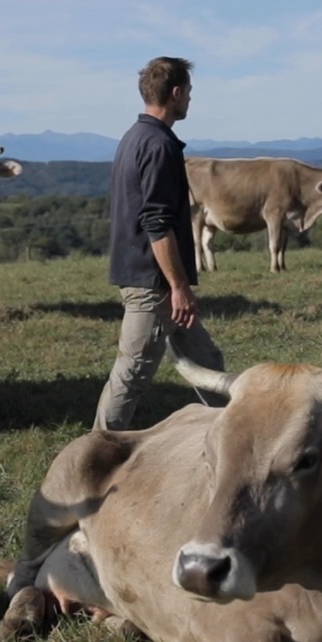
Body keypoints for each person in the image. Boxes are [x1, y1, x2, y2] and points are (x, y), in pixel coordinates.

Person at [93, 56, 225, 430]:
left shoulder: (135, 137)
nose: (190, 101)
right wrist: (178, 286)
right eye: (190, 93)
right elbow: (156, 222)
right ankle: (95, 455)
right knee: (131, 374)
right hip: (153, 283)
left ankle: (232, 437)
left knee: (207, 361)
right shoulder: (158, 145)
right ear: (177, 92)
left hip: (151, 278)